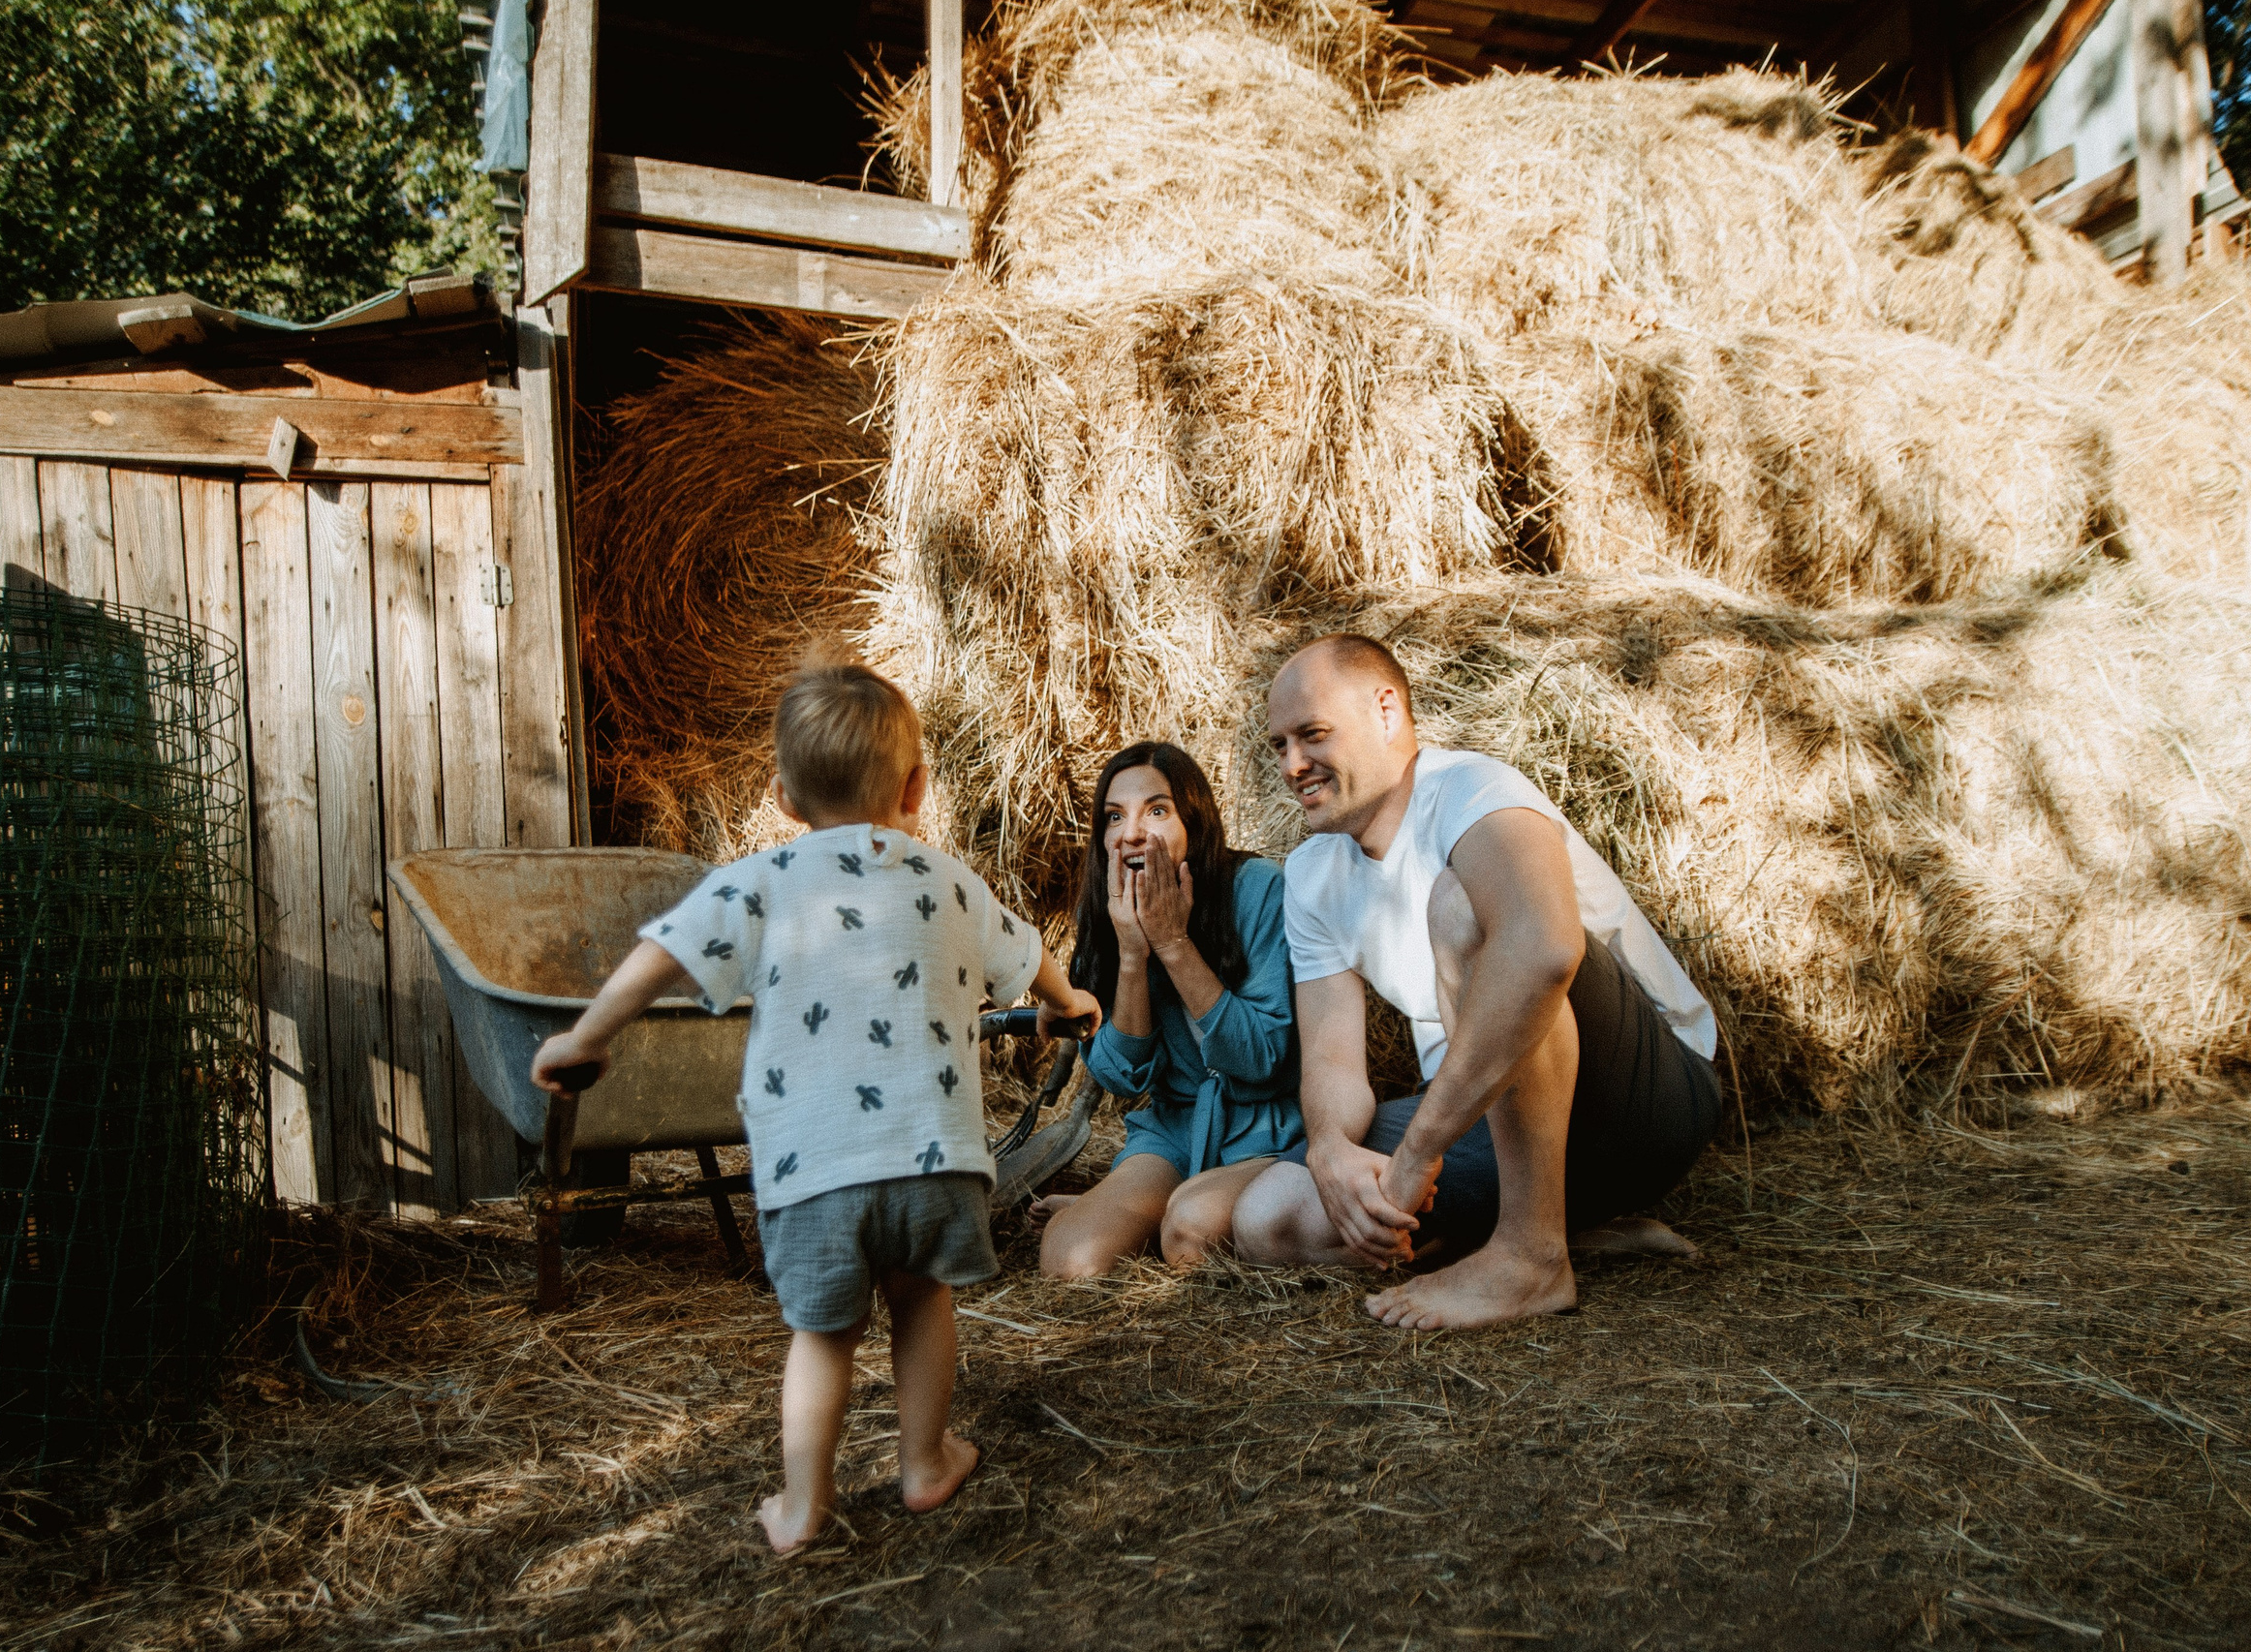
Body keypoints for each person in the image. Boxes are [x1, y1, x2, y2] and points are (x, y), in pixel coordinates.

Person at [530, 652, 1101, 1553]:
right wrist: (1067, 1005)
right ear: (915, 787)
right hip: (935, 1160)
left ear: (784, 798)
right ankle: (925, 1461)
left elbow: (664, 953)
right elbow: (1027, 956)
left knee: (823, 1335)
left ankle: (804, 1504)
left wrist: (587, 1037)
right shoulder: (952, 879)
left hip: (815, 1169)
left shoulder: (760, 879)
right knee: (921, 1299)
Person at [1231, 634, 1720, 1331]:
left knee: (1461, 906)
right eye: (1279, 745)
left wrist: (1418, 1152)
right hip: (1489, 1120)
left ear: (1386, 711)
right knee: (1269, 1220)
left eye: (1312, 735)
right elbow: (1333, 1064)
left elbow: (1546, 949)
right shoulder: (1312, 875)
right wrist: (1331, 1150)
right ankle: (1562, 1231)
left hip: (1646, 1101)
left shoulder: (1470, 789)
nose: (1292, 765)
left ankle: (1531, 1256)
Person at [1028, 744, 1303, 1276]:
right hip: (1176, 1129)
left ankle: (1160, 1211)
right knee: (1070, 1261)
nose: (1131, 833)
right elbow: (1121, 1077)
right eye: (1114, 817)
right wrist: (1133, 954)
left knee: (1190, 1238)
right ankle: (1142, 1207)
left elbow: (1263, 1057)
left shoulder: (1259, 889)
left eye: (1156, 810)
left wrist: (1173, 944)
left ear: (1192, 823)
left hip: (1268, 1131)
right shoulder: (1104, 909)